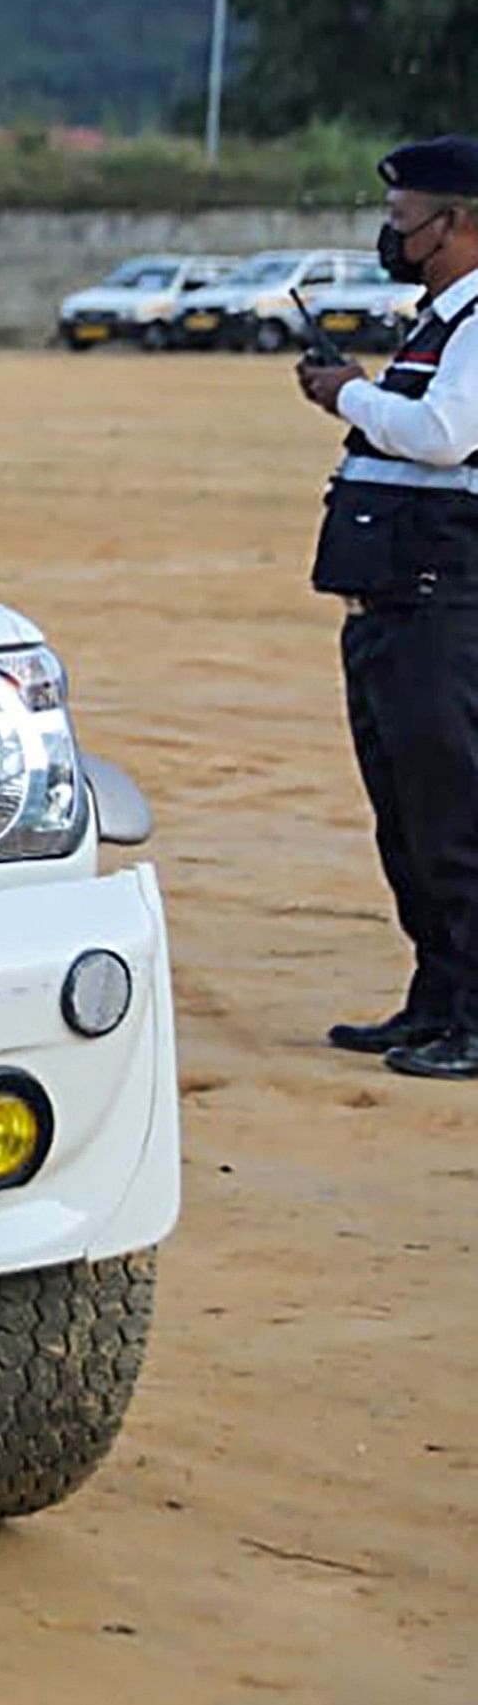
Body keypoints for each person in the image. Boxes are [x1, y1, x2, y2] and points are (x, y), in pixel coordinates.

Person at [301, 133, 478, 1080]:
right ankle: (435, 999)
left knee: (454, 819)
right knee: (406, 818)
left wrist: (350, 395)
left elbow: (446, 437)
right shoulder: (436, 320)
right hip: (391, 604)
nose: (390, 232)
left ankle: (473, 1013)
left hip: (442, 605)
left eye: (403, 217)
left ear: (455, 223)